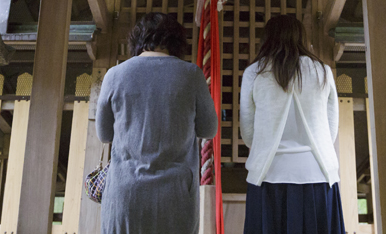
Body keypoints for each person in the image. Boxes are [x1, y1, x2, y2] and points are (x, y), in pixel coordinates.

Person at [96, 12, 218, 234]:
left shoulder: (114, 75)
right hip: (175, 197)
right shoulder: (191, 75)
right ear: (177, 42)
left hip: (125, 196)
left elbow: (104, 134)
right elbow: (209, 129)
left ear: (137, 41)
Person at [240, 15, 346, 234]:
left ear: (267, 39)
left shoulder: (255, 73)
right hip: (317, 174)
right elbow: (331, 130)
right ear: (301, 38)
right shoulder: (322, 72)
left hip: (269, 176)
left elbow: (248, 134)